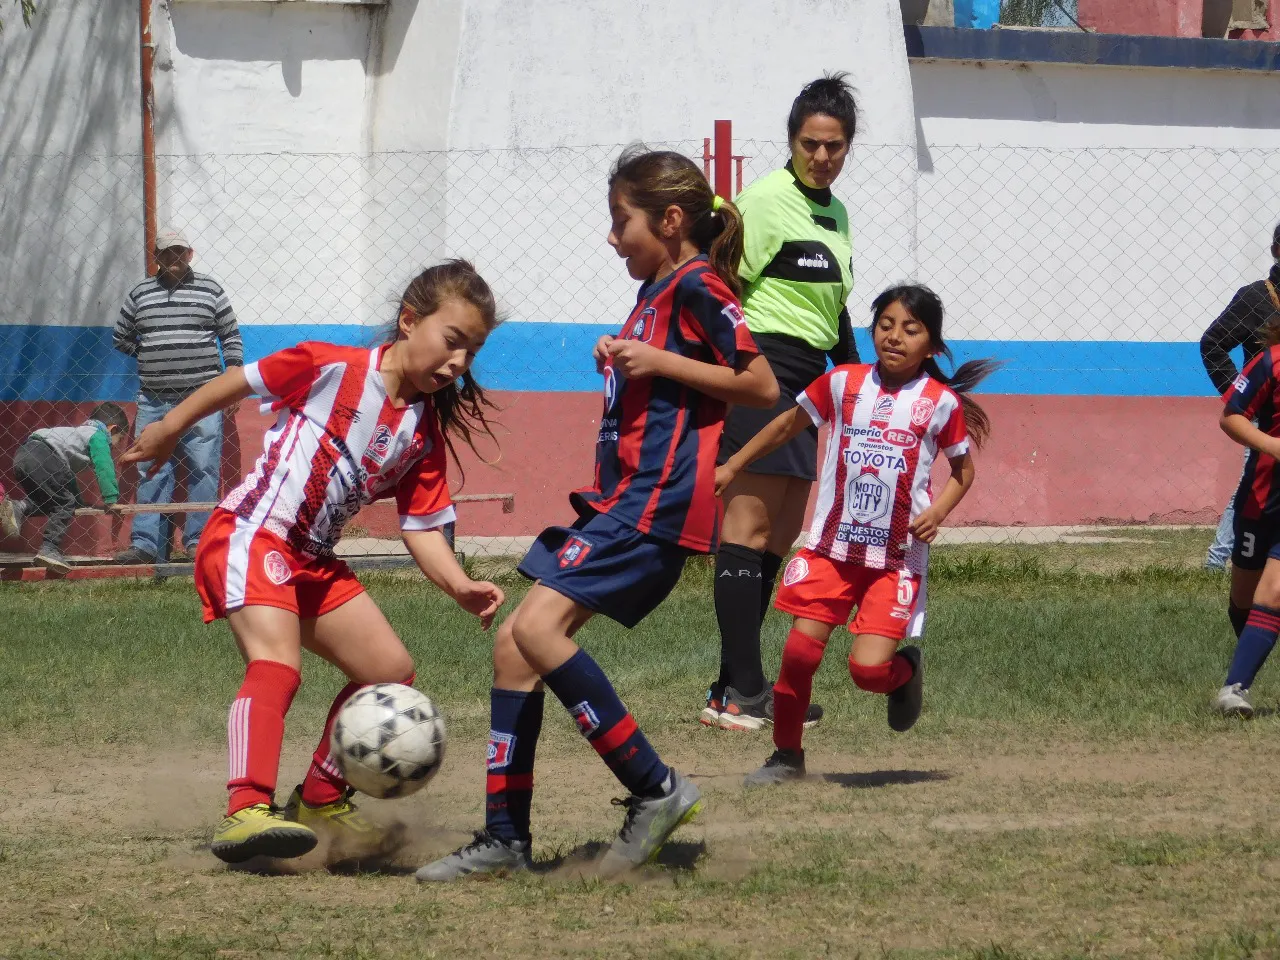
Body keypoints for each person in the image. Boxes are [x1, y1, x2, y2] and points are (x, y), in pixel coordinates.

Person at [415, 147, 779, 882]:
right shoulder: (657, 291)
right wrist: (621, 354)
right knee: (515, 645)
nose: (612, 237)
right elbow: (660, 369)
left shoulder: (698, 283)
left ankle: (655, 787)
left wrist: (658, 363)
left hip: (653, 500)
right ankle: (503, 841)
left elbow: (760, 382)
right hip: (620, 499)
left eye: (623, 221)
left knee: (537, 630)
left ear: (670, 220)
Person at [121, 260, 507, 864]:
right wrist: (169, 427)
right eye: (451, 341)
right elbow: (238, 381)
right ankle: (245, 809)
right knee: (277, 665)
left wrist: (459, 586)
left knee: (389, 669)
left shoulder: (421, 431)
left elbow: (423, 528)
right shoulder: (331, 366)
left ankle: (321, 798)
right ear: (409, 321)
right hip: (252, 533)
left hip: (310, 559)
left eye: (472, 352)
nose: (458, 363)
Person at [716, 285, 997, 785]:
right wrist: (733, 463)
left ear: (931, 345)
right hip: (832, 550)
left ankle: (904, 673)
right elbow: (785, 427)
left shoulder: (940, 404)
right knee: (799, 655)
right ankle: (786, 757)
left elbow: (963, 471)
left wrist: (940, 514)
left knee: (867, 672)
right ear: (872, 332)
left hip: (894, 560)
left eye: (911, 330)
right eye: (886, 325)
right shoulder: (841, 382)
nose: (895, 337)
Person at [706, 73, 860, 731]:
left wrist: (854, 377)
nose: (821, 157)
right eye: (809, 144)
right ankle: (742, 693)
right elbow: (719, 283)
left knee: (777, 537)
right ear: (792, 140)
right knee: (746, 531)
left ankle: (731, 688)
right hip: (763, 367)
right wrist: (736, 372)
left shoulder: (837, 211)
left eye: (834, 146)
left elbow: (833, 301)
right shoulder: (764, 200)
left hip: (811, 381)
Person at [113, 228, 243, 566]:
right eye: (166, 253)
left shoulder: (210, 290)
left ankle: (198, 543)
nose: (173, 258)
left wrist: (232, 378)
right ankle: (145, 545)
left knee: (203, 468)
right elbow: (120, 337)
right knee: (150, 470)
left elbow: (230, 336)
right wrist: (150, 353)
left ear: (190, 253)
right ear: (156, 257)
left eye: (179, 252)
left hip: (203, 399)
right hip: (154, 399)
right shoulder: (140, 293)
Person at [1199, 222, 1280, 571]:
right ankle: (1217, 563)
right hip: (1265, 416)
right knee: (1251, 488)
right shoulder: (1257, 297)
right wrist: (1238, 397)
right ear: (1276, 250)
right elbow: (1213, 343)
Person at [1212, 315, 1280, 718]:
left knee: (1272, 594)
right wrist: (1271, 445)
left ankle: (1233, 690)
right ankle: (1255, 643)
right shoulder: (1270, 362)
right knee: (1244, 599)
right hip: (1261, 499)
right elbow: (1231, 416)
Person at [0, 403, 131, 571]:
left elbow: (65, 476)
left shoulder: (76, 434)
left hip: (23, 456)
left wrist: (77, 501)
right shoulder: (98, 436)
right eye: (119, 439)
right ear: (112, 429)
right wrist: (111, 499)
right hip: (44, 456)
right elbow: (104, 467)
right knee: (64, 503)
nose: (115, 446)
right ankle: (49, 548)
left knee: (53, 501)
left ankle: (18, 507)